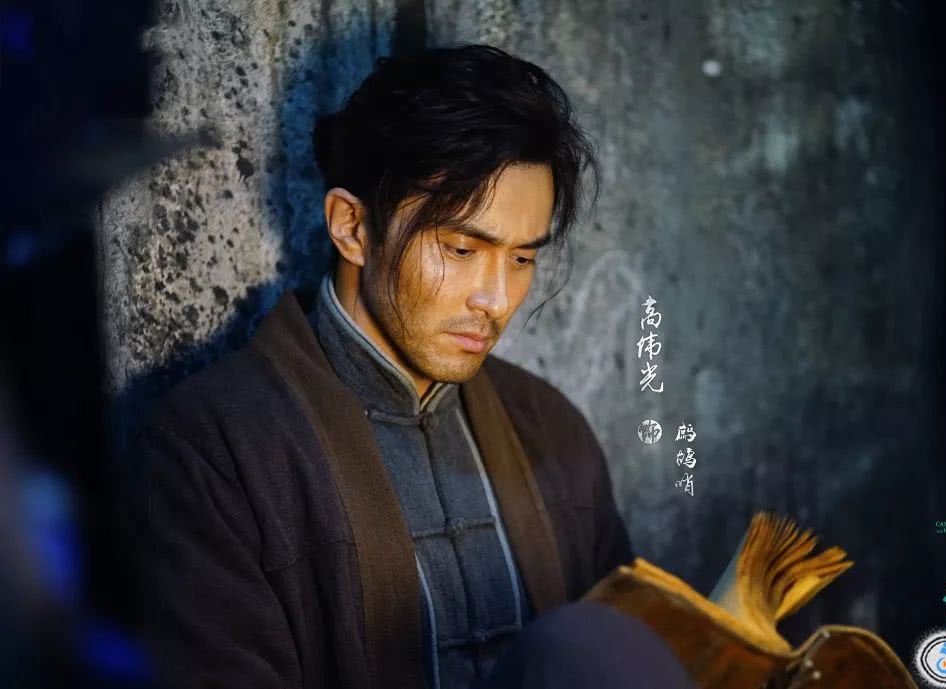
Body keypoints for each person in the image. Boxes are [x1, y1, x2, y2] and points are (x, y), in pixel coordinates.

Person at [126, 44, 692, 689]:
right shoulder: (212, 451)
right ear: (352, 227)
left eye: (522, 259)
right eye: (461, 248)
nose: (496, 299)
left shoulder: (550, 429)